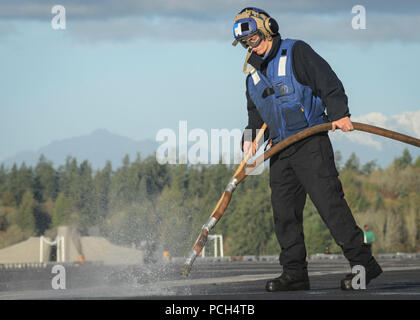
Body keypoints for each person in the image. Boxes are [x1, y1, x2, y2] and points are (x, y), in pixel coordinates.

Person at [232, 7, 382, 291]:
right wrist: (249, 139)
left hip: (311, 143)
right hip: (280, 149)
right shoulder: (251, 76)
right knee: (284, 214)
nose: (250, 45)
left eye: (253, 38)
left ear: (268, 28)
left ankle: (364, 266)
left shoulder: (296, 52)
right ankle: (295, 274)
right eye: (245, 42)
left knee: (331, 207)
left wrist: (339, 112)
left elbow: (327, 81)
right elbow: (256, 116)